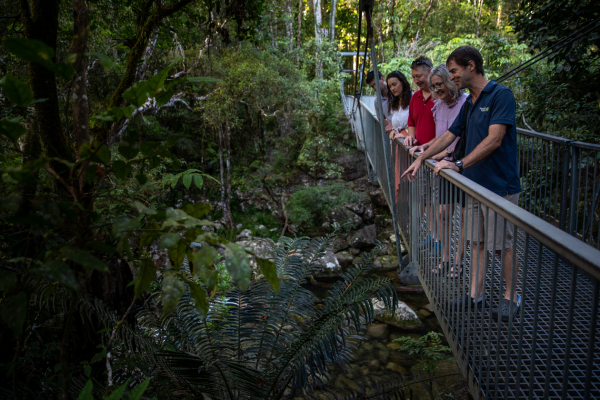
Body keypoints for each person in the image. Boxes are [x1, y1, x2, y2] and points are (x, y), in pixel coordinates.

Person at [401, 46, 522, 322]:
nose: (451, 76)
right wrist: (422, 159)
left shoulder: (500, 95)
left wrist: (460, 164)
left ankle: (511, 296)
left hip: (498, 186)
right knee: (476, 241)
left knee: (501, 244)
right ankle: (475, 295)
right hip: (473, 185)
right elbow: (449, 135)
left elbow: (495, 139)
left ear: (471, 66)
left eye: (454, 70)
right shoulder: (471, 103)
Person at [410, 63, 468, 276]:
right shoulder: (439, 104)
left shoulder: (465, 103)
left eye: (439, 84)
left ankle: (458, 262)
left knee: (462, 217)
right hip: (441, 167)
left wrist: (446, 152)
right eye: (433, 86)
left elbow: (462, 136)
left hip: (459, 165)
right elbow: (442, 135)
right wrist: (426, 146)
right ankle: (445, 258)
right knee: (443, 213)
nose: (436, 90)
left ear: (449, 81)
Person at [404, 56, 435, 147]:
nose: (416, 81)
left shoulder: (441, 97)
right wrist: (411, 137)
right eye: (414, 77)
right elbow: (411, 123)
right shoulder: (414, 97)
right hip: (417, 152)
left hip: (436, 156)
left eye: (419, 76)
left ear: (430, 71)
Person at [383, 71, 412, 142]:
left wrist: (405, 134)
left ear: (403, 82)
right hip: (400, 144)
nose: (392, 88)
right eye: (390, 86)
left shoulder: (413, 99)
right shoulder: (395, 102)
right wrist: (394, 129)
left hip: (412, 145)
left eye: (394, 84)